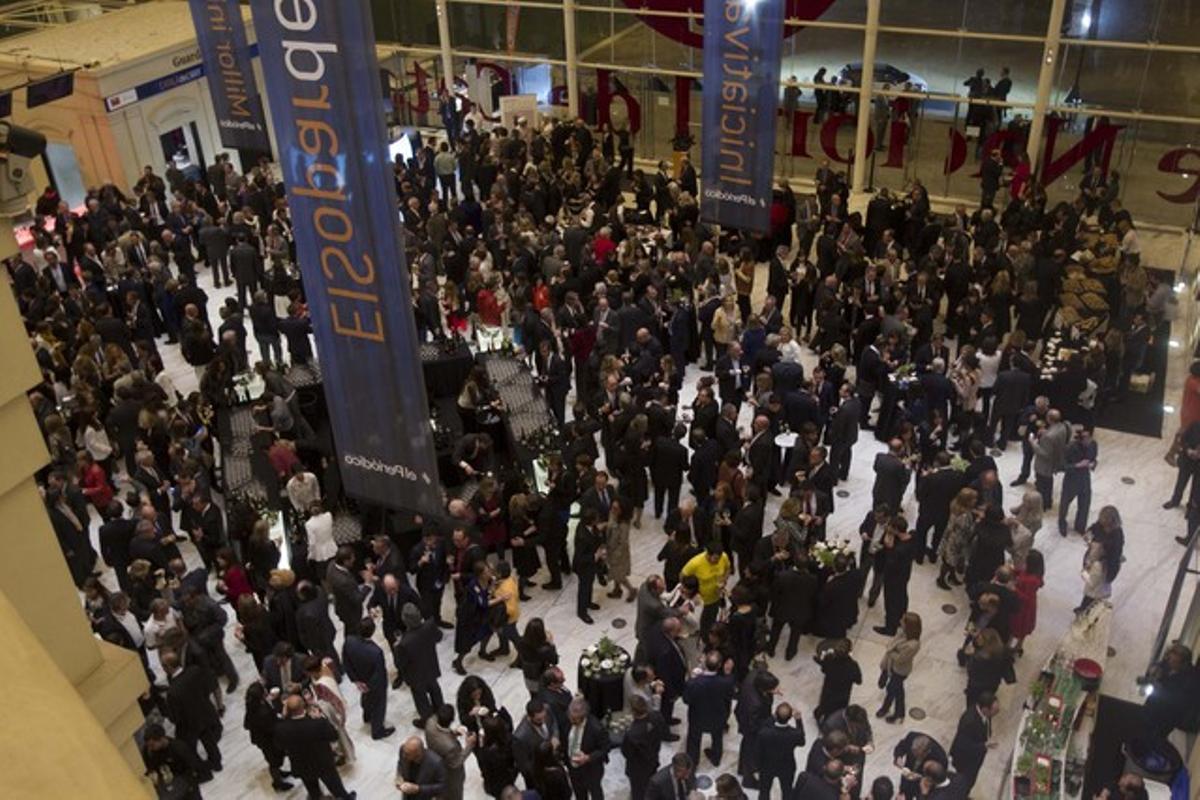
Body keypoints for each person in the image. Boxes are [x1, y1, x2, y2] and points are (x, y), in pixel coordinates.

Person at [341, 617, 395, 740]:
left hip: (360, 679)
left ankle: (367, 716)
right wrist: (369, 686)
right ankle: (377, 731)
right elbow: (379, 673)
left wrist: (356, 680)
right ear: (373, 631)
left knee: (366, 698)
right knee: (379, 705)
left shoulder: (349, 641)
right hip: (374, 684)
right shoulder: (376, 652)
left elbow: (346, 662)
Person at [394, 602, 446, 726]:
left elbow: (399, 664)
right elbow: (439, 637)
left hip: (415, 676)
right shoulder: (430, 625)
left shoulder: (403, 643)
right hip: (431, 667)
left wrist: (396, 647)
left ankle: (427, 721)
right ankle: (442, 713)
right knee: (435, 690)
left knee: (421, 699)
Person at [684, 650, 737, 768]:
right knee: (717, 738)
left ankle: (693, 763)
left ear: (704, 663)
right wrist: (728, 673)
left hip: (697, 718)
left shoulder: (694, 683)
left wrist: (692, 678)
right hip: (717, 717)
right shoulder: (726, 682)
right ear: (719, 666)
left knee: (693, 740)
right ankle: (716, 758)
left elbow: (686, 700)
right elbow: (730, 696)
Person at [876, 612, 921, 724]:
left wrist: (890, 651)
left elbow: (900, 659)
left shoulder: (912, 645)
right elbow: (892, 645)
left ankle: (893, 712)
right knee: (897, 690)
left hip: (900, 671)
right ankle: (894, 711)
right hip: (890, 665)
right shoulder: (901, 632)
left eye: (903, 620)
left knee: (892, 690)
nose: (900, 621)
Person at [141, 722, 208, 798]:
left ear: (161, 739)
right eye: (148, 746)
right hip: (170, 791)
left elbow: (194, 767)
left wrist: (184, 782)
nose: (150, 748)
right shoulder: (150, 752)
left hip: (187, 788)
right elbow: (150, 768)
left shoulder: (179, 748)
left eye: (152, 745)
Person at [949, 690, 999, 791]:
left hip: (975, 756)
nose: (997, 712)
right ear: (985, 709)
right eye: (995, 710)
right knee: (965, 783)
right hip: (965, 761)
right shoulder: (969, 722)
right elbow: (963, 746)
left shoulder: (984, 713)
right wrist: (984, 745)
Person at [424, 703, 475, 800]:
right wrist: (469, 745)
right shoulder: (450, 747)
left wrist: (453, 733)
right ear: (452, 720)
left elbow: (441, 733)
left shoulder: (430, 722)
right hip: (449, 775)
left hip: (433, 765)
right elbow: (456, 763)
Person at [680, 542, 731, 636]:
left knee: (712, 617)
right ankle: (703, 636)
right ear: (708, 554)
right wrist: (689, 593)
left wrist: (724, 580)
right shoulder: (695, 563)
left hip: (716, 596)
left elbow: (728, 569)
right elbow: (683, 576)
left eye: (719, 558)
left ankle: (709, 633)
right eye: (715, 559)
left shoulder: (723, 557)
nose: (717, 561)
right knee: (702, 621)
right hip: (701, 600)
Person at [623, 694, 668, 800]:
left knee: (638, 792)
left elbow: (626, 752)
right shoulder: (657, 716)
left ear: (633, 711)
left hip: (638, 769)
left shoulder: (631, 734)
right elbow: (664, 732)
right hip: (653, 758)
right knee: (651, 783)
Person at [564, 698, 609, 800]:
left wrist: (588, 757)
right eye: (570, 717)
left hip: (591, 770)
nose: (571, 720)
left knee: (595, 793)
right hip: (573, 769)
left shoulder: (596, 728)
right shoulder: (568, 720)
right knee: (579, 794)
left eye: (575, 719)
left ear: (583, 717)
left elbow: (605, 748)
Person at [1059, 425, 1097, 536]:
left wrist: (1093, 464)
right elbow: (1062, 466)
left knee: (1085, 504)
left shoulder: (1093, 445)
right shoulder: (1070, 448)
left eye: (1090, 438)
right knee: (1065, 504)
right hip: (1071, 480)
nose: (1089, 441)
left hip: (1085, 479)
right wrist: (1077, 465)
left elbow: (1094, 458)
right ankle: (1062, 523)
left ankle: (1080, 526)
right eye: (1086, 439)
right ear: (1080, 438)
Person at [813, 638, 862, 724]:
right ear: (849, 651)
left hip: (828, 691)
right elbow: (858, 681)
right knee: (836, 713)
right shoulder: (853, 666)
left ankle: (820, 716)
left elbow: (824, 670)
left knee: (824, 706)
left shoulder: (829, 659)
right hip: (842, 695)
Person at [1010, 549, 1044, 655]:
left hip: (1023, 609)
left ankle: (1013, 648)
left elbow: (1026, 598)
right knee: (1021, 630)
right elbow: (1021, 573)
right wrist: (1014, 571)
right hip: (1025, 606)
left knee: (1017, 629)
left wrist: (1014, 589)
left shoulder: (1031, 580)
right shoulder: (1034, 573)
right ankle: (1017, 647)